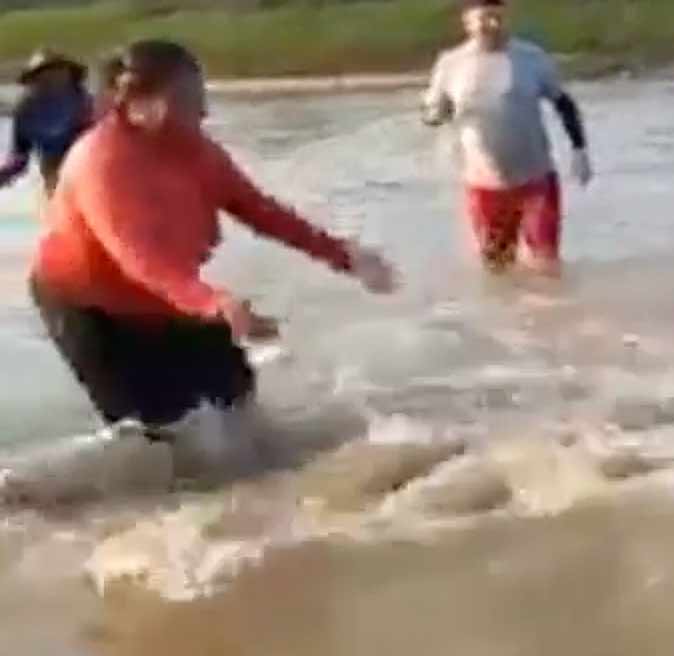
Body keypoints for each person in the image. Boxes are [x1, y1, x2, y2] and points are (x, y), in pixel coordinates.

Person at [29, 40, 396, 440]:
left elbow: (262, 211)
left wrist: (343, 254)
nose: (203, 111)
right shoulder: (102, 164)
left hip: (171, 296)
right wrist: (215, 302)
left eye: (201, 96)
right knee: (159, 436)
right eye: (187, 99)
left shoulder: (196, 151)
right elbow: (141, 261)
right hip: (92, 308)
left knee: (236, 400)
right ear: (137, 102)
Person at [422, 0, 593, 275]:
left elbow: (564, 104)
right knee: (497, 269)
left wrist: (579, 150)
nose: (492, 25)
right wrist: (433, 113)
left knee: (546, 265)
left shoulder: (531, 58)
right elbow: (434, 116)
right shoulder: (450, 64)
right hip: (484, 185)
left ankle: (549, 316)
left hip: (535, 180)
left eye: (498, 18)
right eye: (485, 18)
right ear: (467, 22)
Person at [0, 49, 94, 195]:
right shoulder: (25, 111)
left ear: (69, 75)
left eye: (57, 71)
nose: (52, 78)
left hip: (86, 168)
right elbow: (19, 159)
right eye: (44, 74)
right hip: (52, 173)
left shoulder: (84, 102)